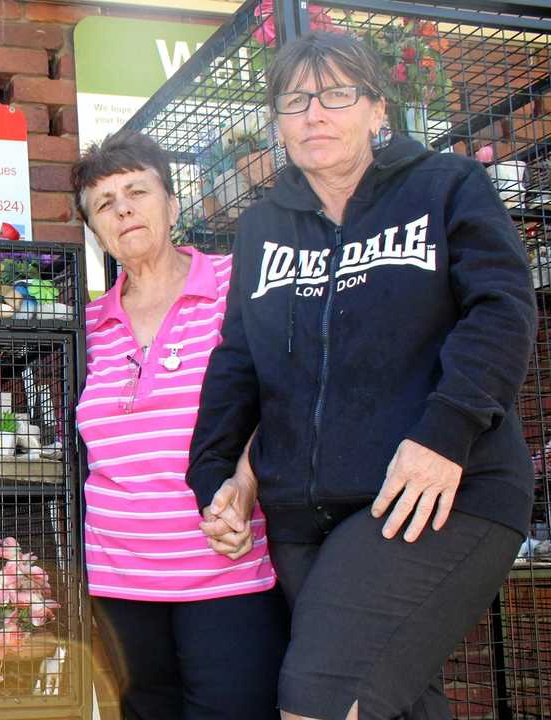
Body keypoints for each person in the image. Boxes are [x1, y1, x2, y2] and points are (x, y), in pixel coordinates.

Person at [188, 31, 535, 720]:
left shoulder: (445, 186)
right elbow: (237, 363)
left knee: (318, 700)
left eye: (337, 94)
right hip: (303, 519)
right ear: (278, 125)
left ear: (379, 109)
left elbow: (502, 309)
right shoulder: (262, 228)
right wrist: (216, 477)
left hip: (437, 491)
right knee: (397, 704)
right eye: (295, 101)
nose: (315, 113)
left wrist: (446, 434)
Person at [72, 127, 288, 719]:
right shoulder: (86, 325)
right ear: (95, 232)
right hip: (119, 583)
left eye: (136, 191)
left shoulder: (235, 284)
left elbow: (285, 398)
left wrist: (245, 483)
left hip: (225, 569)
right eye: (103, 204)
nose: (122, 209)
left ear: (171, 204)